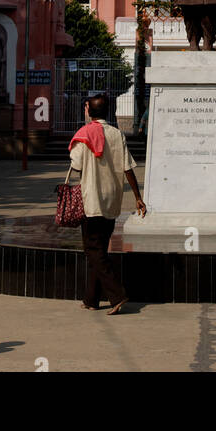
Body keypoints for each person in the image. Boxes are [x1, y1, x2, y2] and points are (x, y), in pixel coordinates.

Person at [69, 93, 146, 314]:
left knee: (93, 249)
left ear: (88, 111)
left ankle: (117, 295)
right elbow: (127, 167)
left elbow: (77, 165)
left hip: (92, 199)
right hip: (113, 199)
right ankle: (91, 299)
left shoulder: (84, 134)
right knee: (99, 248)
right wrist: (138, 197)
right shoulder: (116, 134)